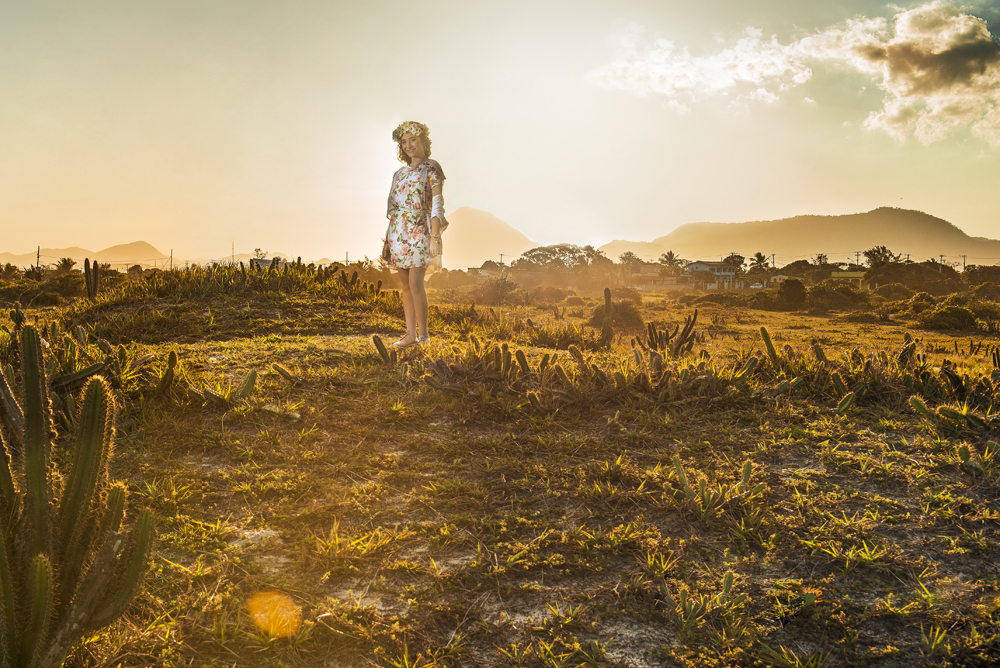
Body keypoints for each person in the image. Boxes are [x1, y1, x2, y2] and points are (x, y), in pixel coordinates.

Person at [385, 120, 448, 348]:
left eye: (413, 140)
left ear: (423, 140)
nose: (408, 145)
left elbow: (438, 203)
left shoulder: (432, 168)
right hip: (398, 232)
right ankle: (410, 334)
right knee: (404, 284)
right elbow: (393, 209)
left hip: (421, 228)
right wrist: (388, 240)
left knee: (416, 282)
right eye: (404, 142)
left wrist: (435, 236)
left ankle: (424, 337)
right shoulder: (398, 174)